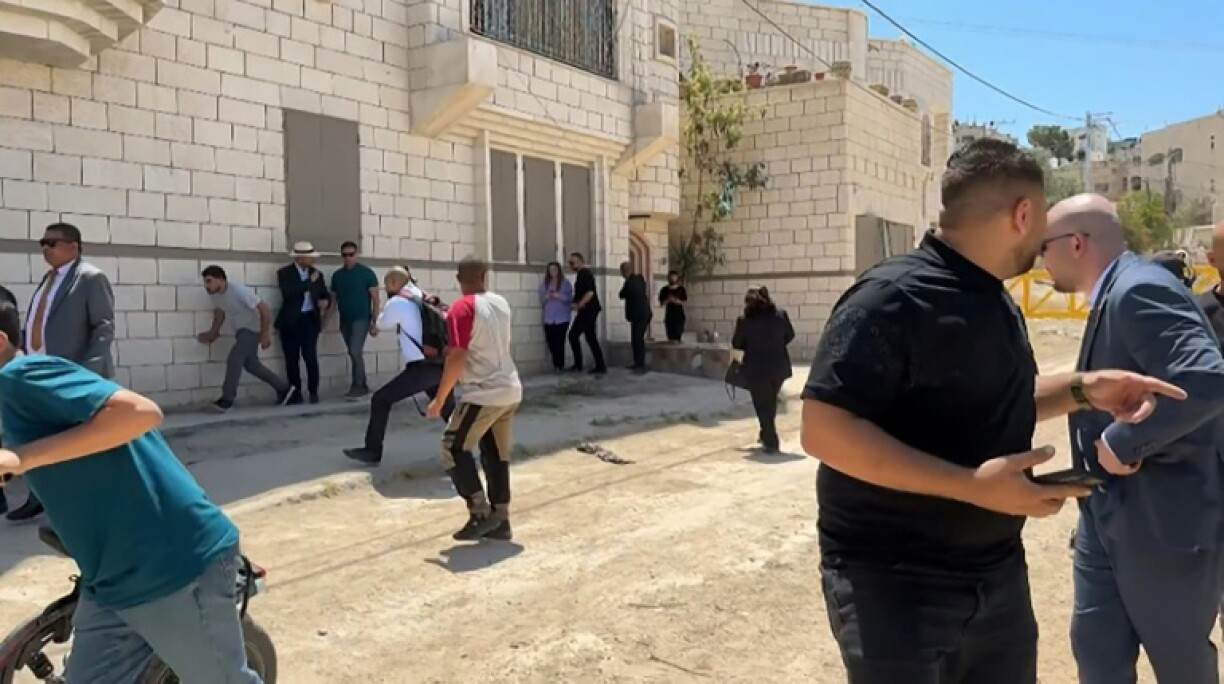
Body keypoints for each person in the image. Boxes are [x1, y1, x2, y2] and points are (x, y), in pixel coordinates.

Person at [801, 139, 1186, 684]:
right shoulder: (890, 297)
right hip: (893, 584)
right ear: (1023, 214)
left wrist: (1085, 389)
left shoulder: (994, 299)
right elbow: (823, 429)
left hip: (995, 576)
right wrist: (971, 486)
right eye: (1042, 219)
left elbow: (992, 397)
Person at [0, 298, 261, 683]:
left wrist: (22, 458)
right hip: (111, 577)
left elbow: (140, 413)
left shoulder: (21, 375)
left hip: (172, 565)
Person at [1042, 194, 1224, 684]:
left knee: (1180, 664)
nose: (1041, 259)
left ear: (1075, 244)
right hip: (1108, 518)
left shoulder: (1138, 289)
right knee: (1097, 653)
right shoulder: (1118, 290)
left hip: (1163, 525)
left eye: (1044, 247)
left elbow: (1206, 378)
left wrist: (1123, 442)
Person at [11, 222, 115, 523]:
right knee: (39, 437)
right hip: (38, 374)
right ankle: (39, 497)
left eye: (52, 243)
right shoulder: (49, 279)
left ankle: (90, 505)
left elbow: (104, 327)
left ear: (74, 246)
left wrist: (87, 373)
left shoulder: (90, 278)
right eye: (42, 243)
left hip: (71, 377)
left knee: (76, 442)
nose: (46, 248)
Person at [425, 257, 523, 542]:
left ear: (458, 278)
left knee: (452, 447)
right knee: (496, 454)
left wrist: (440, 399)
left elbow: (458, 356)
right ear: (484, 275)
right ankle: (501, 519)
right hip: (509, 388)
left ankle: (479, 512)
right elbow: (483, 334)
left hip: (483, 393)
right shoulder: (500, 303)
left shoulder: (462, 308)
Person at [343, 267, 455, 465]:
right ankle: (473, 448)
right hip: (441, 364)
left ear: (394, 283)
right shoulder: (423, 296)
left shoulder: (397, 302)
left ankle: (372, 451)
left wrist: (377, 318)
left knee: (380, 399)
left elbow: (381, 324)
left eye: (387, 285)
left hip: (422, 368)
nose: (387, 290)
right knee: (449, 411)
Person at [197, 265, 295, 412]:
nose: (206, 285)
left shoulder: (238, 291)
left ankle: (227, 399)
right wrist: (213, 332)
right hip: (240, 331)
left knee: (234, 359)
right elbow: (219, 313)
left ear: (221, 280)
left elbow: (265, 309)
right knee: (252, 366)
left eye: (209, 281)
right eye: (205, 282)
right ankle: (285, 390)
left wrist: (265, 334)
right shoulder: (215, 295)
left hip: (250, 330)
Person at [731, 286, 794, 453]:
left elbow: (737, 343)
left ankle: (771, 442)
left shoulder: (744, 320)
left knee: (762, 405)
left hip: (757, 369)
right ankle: (765, 433)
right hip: (779, 367)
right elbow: (790, 335)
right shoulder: (780, 315)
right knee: (770, 402)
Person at [275, 242, 331, 405]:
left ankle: (313, 391)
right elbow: (288, 293)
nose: (312, 260)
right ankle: (295, 392)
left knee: (310, 356)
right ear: (299, 258)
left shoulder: (317, 274)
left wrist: (325, 301)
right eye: (309, 257)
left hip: (309, 320)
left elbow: (323, 292)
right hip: (290, 321)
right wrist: (308, 282)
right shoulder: (285, 273)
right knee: (291, 359)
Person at [329, 241, 380, 399]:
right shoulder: (337, 276)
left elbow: (376, 299)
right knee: (354, 353)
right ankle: (362, 384)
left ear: (356, 255)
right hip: (345, 319)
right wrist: (325, 318)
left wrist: (375, 322)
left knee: (355, 351)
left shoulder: (366, 273)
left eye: (351, 254)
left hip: (361, 318)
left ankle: (358, 386)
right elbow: (333, 300)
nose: (348, 258)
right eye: (345, 255)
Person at [566, 252, 606, 375]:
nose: (571, 265)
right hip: (587, 310)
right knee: (590, 337)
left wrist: (579, 305)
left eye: (572, 263)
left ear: (580, 262)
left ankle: (579, 364)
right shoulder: (581, 275)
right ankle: (600, 365)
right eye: (570, 263)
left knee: (573, 335)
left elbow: (590, 292)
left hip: (588, 311)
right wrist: (575, 303)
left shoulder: (585, 274)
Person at [539, 261, 573, 372]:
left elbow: (569, 299)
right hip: (549, 318)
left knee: (559, 342)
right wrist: (547, 297)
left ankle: (559, 365)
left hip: (562, 318)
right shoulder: (545, 284)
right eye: (551, 270)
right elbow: (542, 300)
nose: (553, 272)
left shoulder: (565, 283)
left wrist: (558, 296)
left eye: (555, 269)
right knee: (551, 342)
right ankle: (556, 363)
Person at [618, 261, 651, 372]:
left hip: (639, 316)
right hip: (643, 314)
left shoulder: (630, 282)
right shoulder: (639, 279)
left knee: (637, 340)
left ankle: (640, 364)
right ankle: (638, 363)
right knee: (637, 339)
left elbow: (621, 294)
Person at [658, 271, 688, 343]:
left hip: (679, 314)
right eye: (671, 277)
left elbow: (684, 301)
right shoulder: (664, 289)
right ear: (668, 278)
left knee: (678, 332)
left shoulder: (681, 289)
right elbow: (661, 303)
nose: (673, 279)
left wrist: (675, 300)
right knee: (670, 334)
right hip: (669, 314)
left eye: (674, 277)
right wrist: (668, 300)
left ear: (677, 278)